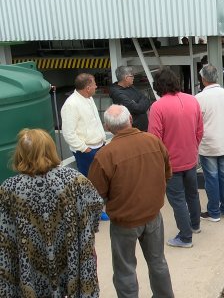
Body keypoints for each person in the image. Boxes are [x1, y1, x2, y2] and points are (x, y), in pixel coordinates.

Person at [0, 129, 103, 297]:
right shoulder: (73, 180)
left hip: (31, 265)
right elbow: (96, 205)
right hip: (70, 257)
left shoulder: (10, 189)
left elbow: (5, 234)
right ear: (51, 149)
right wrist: (84, 232)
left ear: (20, 153)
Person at [88, 105, 174, 297]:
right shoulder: (154, 141)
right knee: (158, 262)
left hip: (124, 222)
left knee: (125, 269)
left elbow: (94, 195)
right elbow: (167, 173)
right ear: (131, 120)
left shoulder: (105, 155)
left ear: (108, 128)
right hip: (153, 216)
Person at [148, 66, 204, 248]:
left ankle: (185, 236)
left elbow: (154, 139)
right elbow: (199, 130)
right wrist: (193, 147)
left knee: (177, 199)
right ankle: (195, 225)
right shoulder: (192, 100)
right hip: (190, 157)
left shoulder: (157, 107)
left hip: (170, 162)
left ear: (159, 85)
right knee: (192, 193)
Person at [195, 65, 224, 222]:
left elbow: (196, 122)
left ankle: (214, 212)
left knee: (211, 178)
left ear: (203, 79)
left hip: (208, 144)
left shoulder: (199, 98)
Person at [61, 73, 106, 177]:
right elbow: (68, 133)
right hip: (86, 152)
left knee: (102, 178)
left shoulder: (88, 98)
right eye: (94, 84)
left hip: (99, 146)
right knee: (90, 179)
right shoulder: (71, 105)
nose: (96, 86)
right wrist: (84, 148)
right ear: (88, 88)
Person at [109, 66, 151, 131]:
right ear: (126, 78)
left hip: (143, 128)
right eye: (132, 76)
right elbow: (137, 108)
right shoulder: (117, 93)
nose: (133, 78)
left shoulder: (130, 87)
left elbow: (146, 98)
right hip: (133, 131)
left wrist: (138, 103)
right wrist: (141, 103)